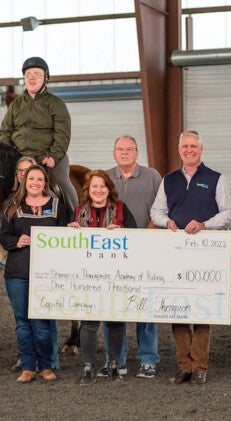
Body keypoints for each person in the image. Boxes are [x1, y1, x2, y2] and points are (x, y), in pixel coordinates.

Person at [150, 130, 231, 385]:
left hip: (205, 254)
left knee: (202, 311)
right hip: (174, 253)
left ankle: (199, 367)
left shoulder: (216, 179)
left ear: (201, 149)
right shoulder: (168, 180)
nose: (189, 150)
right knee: (176, 311)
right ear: (179, 150)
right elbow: (156, 211)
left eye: (194, 146)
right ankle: (183, 367)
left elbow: (229, 213)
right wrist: (166, 222)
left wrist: (204, 224)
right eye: (185, 146)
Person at [98, 135, 162, 379]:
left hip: (145, 250)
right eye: (120, 149)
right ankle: (116, 360)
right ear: (114, 154)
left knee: (145, 307)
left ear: (137, 153)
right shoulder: (104, 177)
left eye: (129, 149)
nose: (124, 153)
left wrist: (145, 237)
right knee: (113, 307)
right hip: (112, 252)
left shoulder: (152, 176)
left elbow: (161, 209)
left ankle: (148, 360)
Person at [67, 170, 137, 384]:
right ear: (87, 190)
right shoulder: (78, 212)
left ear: (109, 189)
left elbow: (137, 239)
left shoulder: (121, 210)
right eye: (94, 186)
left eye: (102, 186)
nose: (98, 190)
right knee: (89, 322)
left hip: (116, 275)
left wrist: (122, 231)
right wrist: (71, 230)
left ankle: (115, 364)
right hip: (87, 276)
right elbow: (67, 247)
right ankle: (88, 366)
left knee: (115, 321)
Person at [0, 164, 68, 382]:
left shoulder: (57, 204)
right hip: (18, 272)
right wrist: (16, 241)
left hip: (47, 274)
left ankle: (46, 366)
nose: (36, 183)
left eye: (40, 179)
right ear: (24, 181)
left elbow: (66, 234)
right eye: (31, 180)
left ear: (45, 182)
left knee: (42, 322)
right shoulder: (12, 205)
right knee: (22, 322)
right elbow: (3, 236)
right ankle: (28, 367)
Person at [0, 56, 78, 218]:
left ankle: (76, 216)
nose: (31, 78)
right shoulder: (16, 104)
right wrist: (9, 155)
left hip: (47, 156)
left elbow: (62, 133)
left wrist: (54, 156)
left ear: (46, 78)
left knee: (62, 183)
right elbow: (5, 131)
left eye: (36, 74)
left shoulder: (56, 104)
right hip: (20, 157)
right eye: (28, 75)